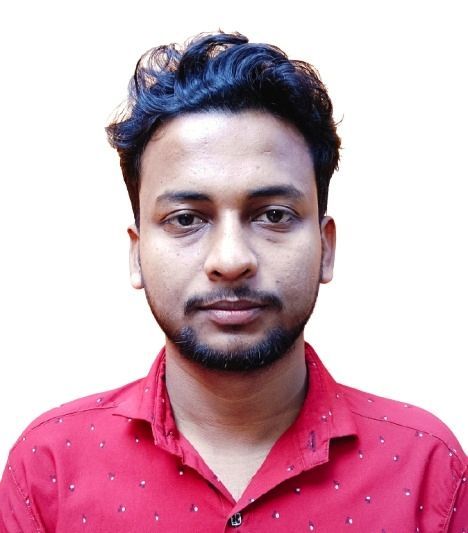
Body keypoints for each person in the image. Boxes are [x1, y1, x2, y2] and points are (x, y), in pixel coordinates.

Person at [0, 31, 466, 532]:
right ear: (136, 253)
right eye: (186, 219)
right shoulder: (50, 468)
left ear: (326, 247)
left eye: (273, 215)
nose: (230, 260)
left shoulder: (427, 468)